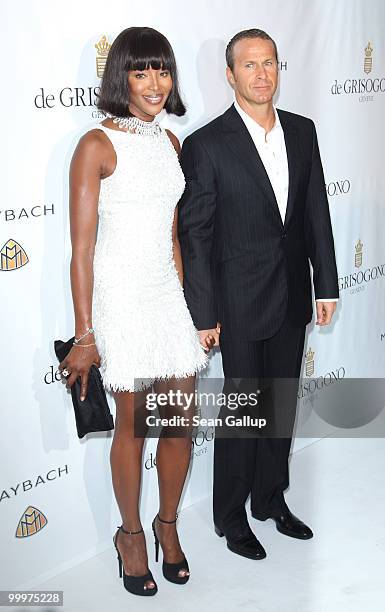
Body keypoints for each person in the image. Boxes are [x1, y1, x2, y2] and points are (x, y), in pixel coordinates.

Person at [58, 26, 213, 597]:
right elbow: (81, 248)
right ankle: (130, 536)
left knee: (180, 422)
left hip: (166, 293)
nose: (154, 83)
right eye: (142, 70)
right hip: (119, 297)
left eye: (163, 70)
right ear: (120, 74)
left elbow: (174, 236)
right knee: (133, 425)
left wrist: (189, 305)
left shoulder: (171, 143)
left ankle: (167, 524)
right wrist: (85, 332)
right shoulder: (95, 144)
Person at [178, 28, 339, 560]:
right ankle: (231, 517)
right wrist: (203, 311)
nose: (262, 73)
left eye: (269, 63)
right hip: (238, 303)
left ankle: (271, 499)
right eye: (249, 65)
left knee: (281, 406)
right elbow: (196, 236)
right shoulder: (206, 144)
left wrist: (328, 282)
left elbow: (316, 209)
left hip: (293, 294)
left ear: (278, 69)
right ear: (230, 75)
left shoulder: (302, 130)